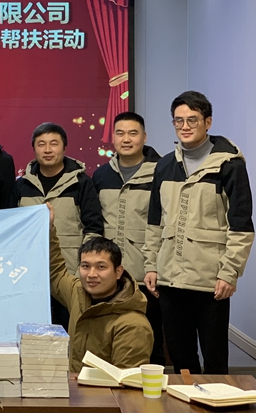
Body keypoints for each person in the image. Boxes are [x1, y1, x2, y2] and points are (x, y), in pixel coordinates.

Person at [143, 91, 254, 374]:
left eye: (192, 119)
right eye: (178, 121)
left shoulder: (230, 165)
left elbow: (241, 225)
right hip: (170, 279)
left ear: (208, 122)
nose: (185, 126)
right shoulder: (164, 165)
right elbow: (155, 221)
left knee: (214, 361)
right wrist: (151, 265)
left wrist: (229, 272)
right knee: (180, 357)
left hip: (210, 282)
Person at [12, 122, 103, 328]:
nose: (47, 149)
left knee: (70, 330)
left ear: (64, 147)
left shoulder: (81, 183)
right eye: (41, 144)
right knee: (33, 332)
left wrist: (84, 268)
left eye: (54, 143)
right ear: (34, 148)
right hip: (30, 274)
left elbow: (93, 229)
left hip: (69, 274)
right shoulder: (21, 185)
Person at [92, 112, 164, 365]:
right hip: (110, 277)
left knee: (151, 340)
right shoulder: (101, 175)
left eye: (133, 133)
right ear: (112, 138)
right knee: (108, 341)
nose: (126, 139)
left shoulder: (162, 172)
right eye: (120, 133)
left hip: (146, 274)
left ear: (144, 137)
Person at [49, 206, 153, 373]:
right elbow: (56, 272)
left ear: (118, 272)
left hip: (102, 391)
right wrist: (48, 230)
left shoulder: (133, 324)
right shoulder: (78, 292)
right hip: (74, 387)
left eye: (101, 267)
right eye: (85, 266)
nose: (91, 274)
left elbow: (125, 382)